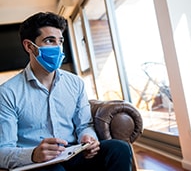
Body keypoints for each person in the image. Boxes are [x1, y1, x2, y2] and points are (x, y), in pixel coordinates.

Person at [0, 12, 132, 171]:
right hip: (38, 163)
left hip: (74, 154)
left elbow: (84, 125)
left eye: (60, 41)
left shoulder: (75, 83)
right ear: (29, 46)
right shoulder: (7, 93)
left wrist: (88, 137)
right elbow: (3, 151)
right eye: (49, 41)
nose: (57, 47)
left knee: (119, 148)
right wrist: (33, 154)